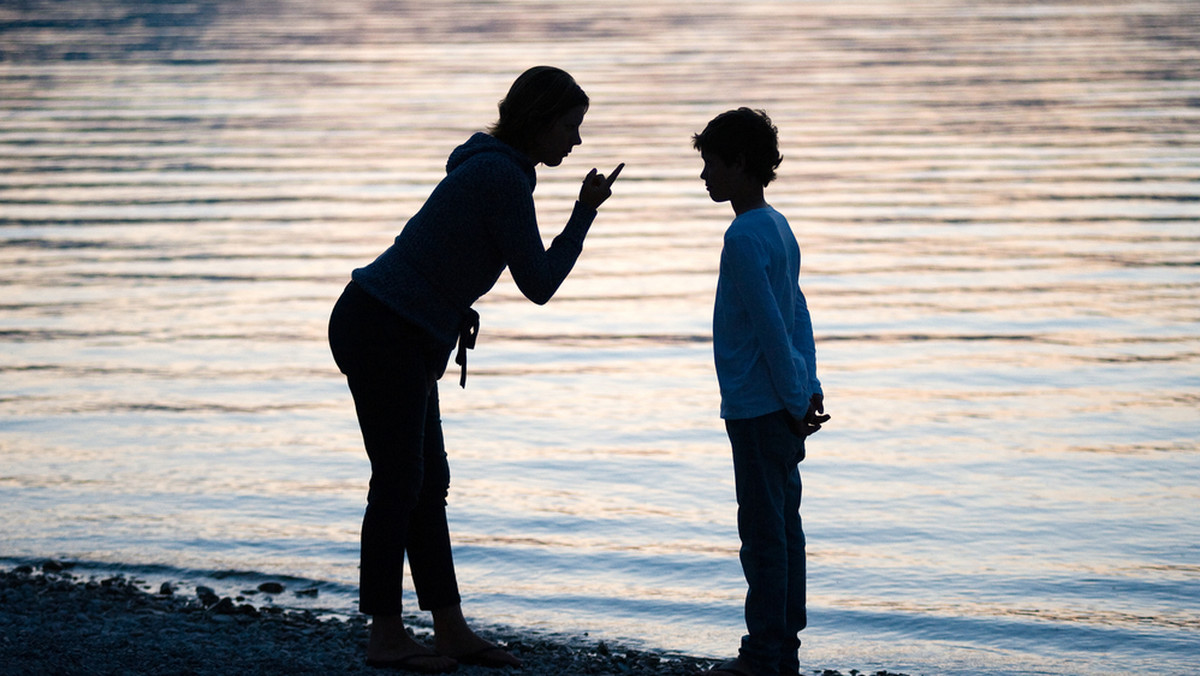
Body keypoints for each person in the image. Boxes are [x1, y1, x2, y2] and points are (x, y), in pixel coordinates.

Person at [328, 66, 624, 674]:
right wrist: (585, 213)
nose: (574, 140)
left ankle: (451, 628)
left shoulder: (495, 168)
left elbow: (449, 255)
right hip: (384, 328)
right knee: (399, 483)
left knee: (425, 481)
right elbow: (538, 284)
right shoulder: (499, 177)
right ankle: (386, 635)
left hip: (397, 328)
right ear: (538, 122)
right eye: (569, 127)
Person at [692, 108, 829, 676]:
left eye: (711, 164)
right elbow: (799, 315)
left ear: (741, 163)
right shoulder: (776, 225)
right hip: (782, 399)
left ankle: (764, 653)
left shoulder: (743, 236)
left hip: (757, 406)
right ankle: (784, 648)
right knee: (783, 529)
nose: (704, 176)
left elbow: (776, 326)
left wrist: (797, 396)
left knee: (762, 535)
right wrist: (809, 385)